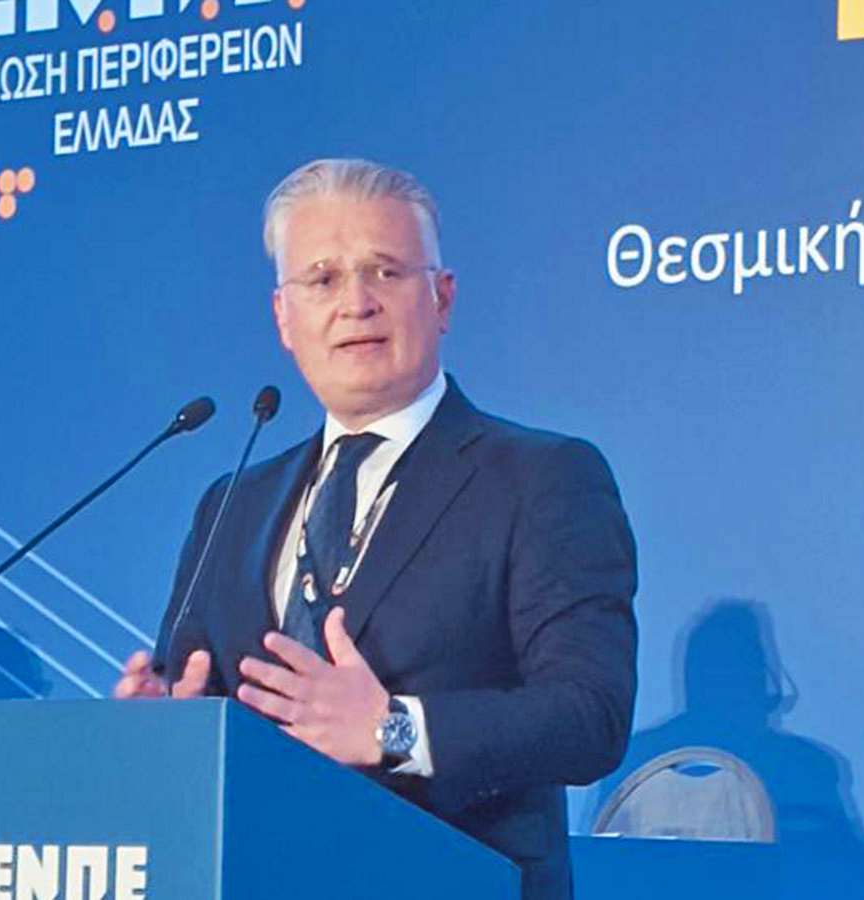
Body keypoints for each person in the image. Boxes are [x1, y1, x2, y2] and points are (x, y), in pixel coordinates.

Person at [115, 158, 638, 900]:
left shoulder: (542, 478)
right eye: (322, 279)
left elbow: (590, 717)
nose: (355, 304)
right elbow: (197, 700)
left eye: (385, 272)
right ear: (283, 317)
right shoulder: (231, 503)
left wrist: (393, 730)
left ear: (442, 298)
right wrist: (165, 732)